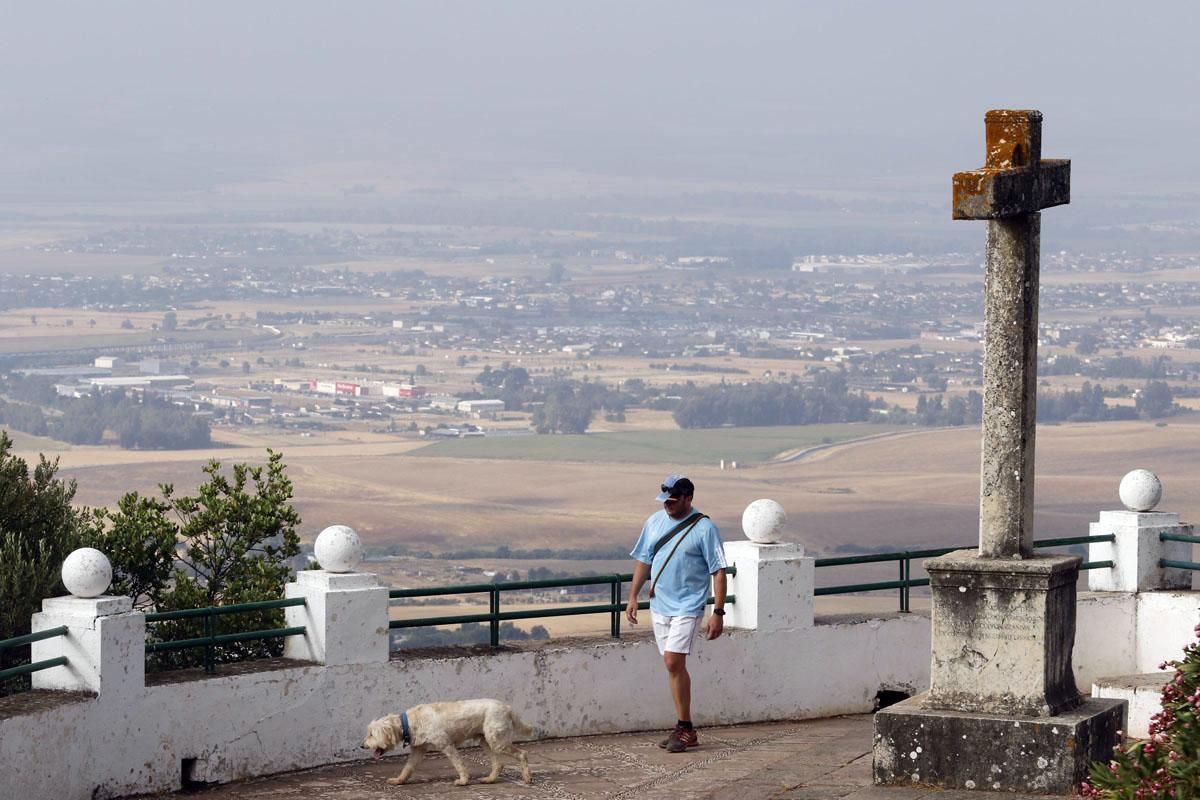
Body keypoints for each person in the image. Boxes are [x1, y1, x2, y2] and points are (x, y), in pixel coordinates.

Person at [625, 473, 727, 753]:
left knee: (672, 662)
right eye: (664, 501)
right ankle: (683, 728)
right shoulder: (654, 522)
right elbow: (644, 561)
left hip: (688, 605)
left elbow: (718, 570)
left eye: (672, 500)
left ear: (688, 498)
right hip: (659, 605)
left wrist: (717, 611)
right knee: (674, 666)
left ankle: (685, 726)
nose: (667, 505)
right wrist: (632, 596)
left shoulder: (705, 528)